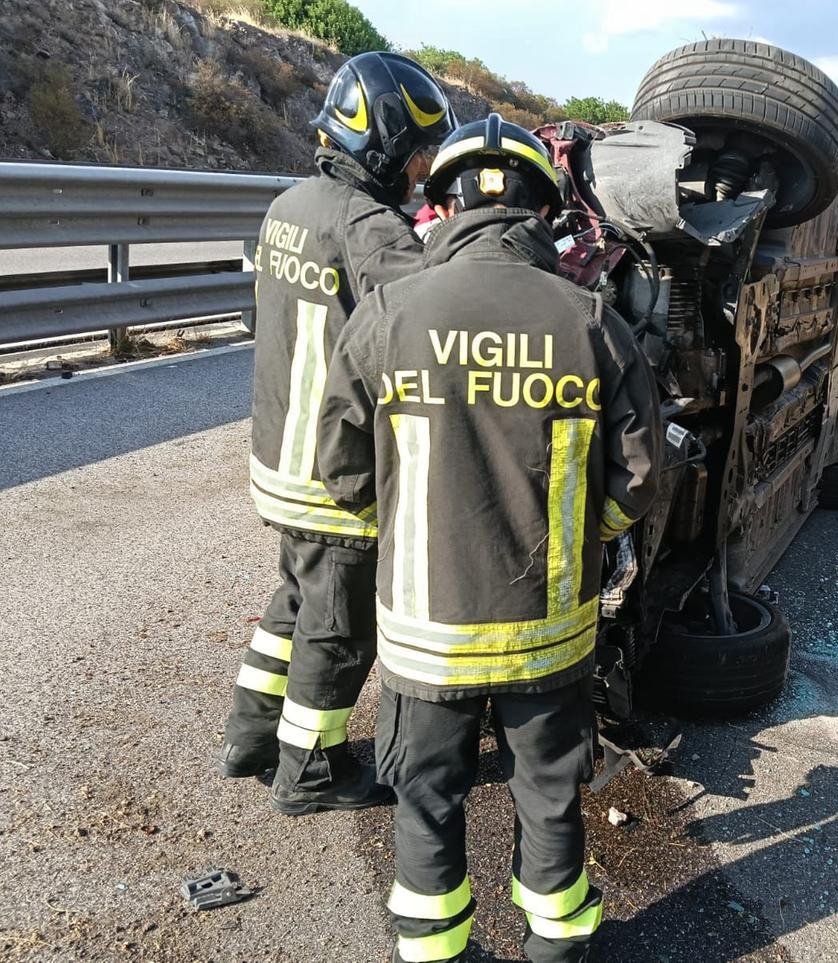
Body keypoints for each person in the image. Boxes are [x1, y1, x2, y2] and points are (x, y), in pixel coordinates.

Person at [317, 113, 662, 962]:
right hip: (548, 637)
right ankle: (556, 945)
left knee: (427, 798)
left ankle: (435, 952)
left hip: (424, 637)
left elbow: (339, 467)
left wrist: (398, 536)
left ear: (441, 206)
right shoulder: (592, 322)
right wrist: (588, 544)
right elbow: (643, 476)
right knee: (548, 797)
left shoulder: (390, 314)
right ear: (543, 214)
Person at [220, 52, 455, 817]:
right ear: (383, 144)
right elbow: (433, 312)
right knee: (338, 631)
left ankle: (249, 735)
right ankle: (308, 768)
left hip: (280, 459)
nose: (420, 176)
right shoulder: (368, 226)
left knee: (294, 601)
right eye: (418, 155)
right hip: (332, 475)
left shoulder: (287, 205)